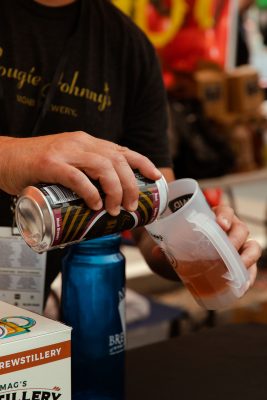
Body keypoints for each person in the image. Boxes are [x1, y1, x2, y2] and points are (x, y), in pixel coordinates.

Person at [0, 0, 260, 308]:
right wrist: (12, 156)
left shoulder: (127, 46)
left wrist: (194, 245)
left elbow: (154, 210)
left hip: (20, 312)